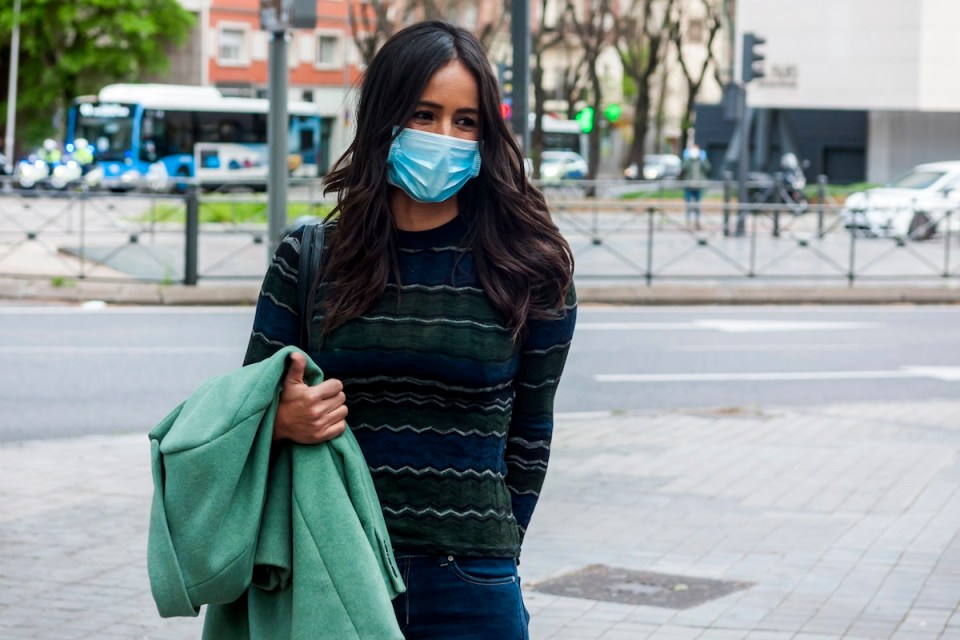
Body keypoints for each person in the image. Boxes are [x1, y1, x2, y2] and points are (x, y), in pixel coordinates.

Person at [244, 20, 577, 640]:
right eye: (424, 115)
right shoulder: (309, 259)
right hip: (330, 574)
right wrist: (280, 421)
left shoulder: (532, 270)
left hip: (471, 588)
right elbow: (245, 409)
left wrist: (495, 550)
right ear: (384, 120)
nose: (444, 137)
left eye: (465, 121)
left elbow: (531, 435)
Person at [680, 143, 711, 229]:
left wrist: (703, 159)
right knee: (688, 204)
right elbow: (683, 167)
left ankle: (697, 222)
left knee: (698, 205)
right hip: (689, 185)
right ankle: (688, 222)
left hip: (699, 185)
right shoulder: (689, 160)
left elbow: (708, 167)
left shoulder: (701, 159)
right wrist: (687, 158)